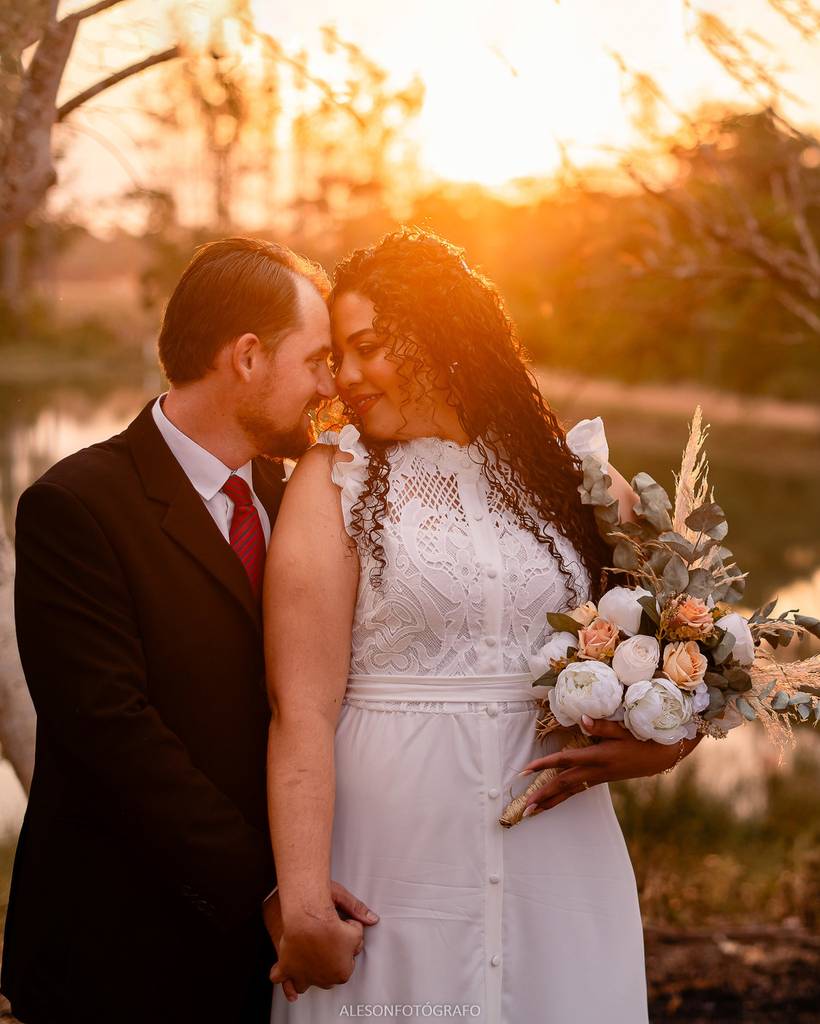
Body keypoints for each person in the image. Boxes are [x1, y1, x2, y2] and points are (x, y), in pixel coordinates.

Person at [264, 228, 701, 1022]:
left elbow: (672, 655)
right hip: (392, 846)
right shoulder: (333, 480)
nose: (348, 376)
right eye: (337, 355)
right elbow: (302, 707)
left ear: (442, 335)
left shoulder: (575, 479)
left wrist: (666, 745)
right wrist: (301, 900)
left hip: (558, 851)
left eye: (368, 347)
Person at [1, 237, 376, 1024]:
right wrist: (271, 892)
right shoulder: (75, 507)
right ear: (246, 357)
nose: (328, 384)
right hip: (120, 946)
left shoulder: (307, 493)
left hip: (269, 956)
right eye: (313, 361)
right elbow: (114, 735)